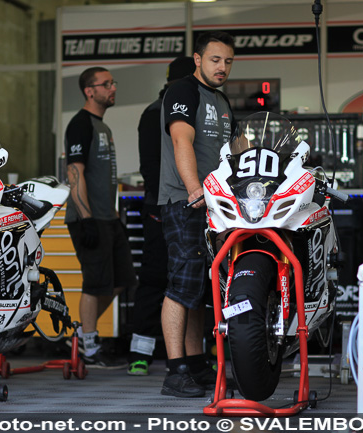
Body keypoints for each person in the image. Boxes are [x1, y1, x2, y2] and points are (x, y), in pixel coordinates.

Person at [158, 31, 235, 397]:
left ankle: (197, 363)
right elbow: (180, 140)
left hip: (217, 206)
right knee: (182, 284)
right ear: (198, 59)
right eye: (215, 59)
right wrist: (194, 190)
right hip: (185, 201)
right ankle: (175, 372)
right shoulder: (183, 91)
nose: (222, 67)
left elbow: (233, 150)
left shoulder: (221, 99)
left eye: (228, 61)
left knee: (202, 289)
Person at [127, 56, 197, 377]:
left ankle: (159, 355)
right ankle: (140, 354)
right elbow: (155, 168)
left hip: (167, 205)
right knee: (162, 279)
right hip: (165, 206)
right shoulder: (162, 112)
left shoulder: (158, 108)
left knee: (174, 281)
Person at [64, 67, 137, 369]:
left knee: (123, 280)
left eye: (113, 83)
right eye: (105, 84)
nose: (112, 88)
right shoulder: (80, 124)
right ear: (89, 91)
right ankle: (89, 346)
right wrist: (87, 218)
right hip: (88, 218)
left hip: (108, 217)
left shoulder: (102, 127)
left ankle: (82, 332)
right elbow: (74, 173)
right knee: (95, 284)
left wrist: (113, 214)